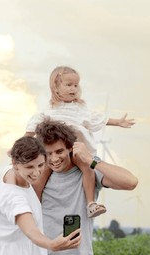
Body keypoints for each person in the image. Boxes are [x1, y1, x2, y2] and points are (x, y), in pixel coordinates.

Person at [25, 66, 135, 218]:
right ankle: (33, 205)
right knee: (43, 172)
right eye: (68, 85)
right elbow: (34, 125)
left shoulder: (80, 109)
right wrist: (22, 147)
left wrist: (117, 122)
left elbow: (96, 118)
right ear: (55, 87)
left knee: (87, 168)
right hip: (42, 238)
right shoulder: (49, 109)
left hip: (77, 149)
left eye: (76, 85)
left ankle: (90, 203)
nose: (73, 89)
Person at [33, 118, 138, 255]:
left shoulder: (88, 169)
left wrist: (90, 159)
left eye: (59, 151)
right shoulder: (38, 174)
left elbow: (130, 182)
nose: (54, 159)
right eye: (48, 154)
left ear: (71, 147)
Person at [0, 136, 81, 255]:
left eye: (40, 165)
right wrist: (52, 245)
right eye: (30, 167)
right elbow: (31, 230)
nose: (36, 172)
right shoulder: (14, 197)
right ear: (15, 164)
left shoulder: (8, 172)